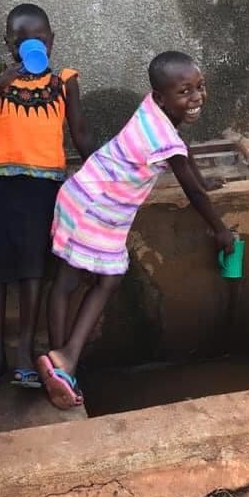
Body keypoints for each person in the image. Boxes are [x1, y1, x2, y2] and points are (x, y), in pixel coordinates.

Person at [41, 51, 235, 409]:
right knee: (108, 280)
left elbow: (183, 150)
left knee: (66, 281)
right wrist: (221, 230)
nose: (196, 98)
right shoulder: (164, 136)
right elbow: (190, 187)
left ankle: (57, 362)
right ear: (162, 97)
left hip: (80, 192)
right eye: (185, 92)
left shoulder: (154, 111)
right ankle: (65, 359)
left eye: (199, 87)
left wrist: (204, 179)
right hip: (100, 208)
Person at [0, 4, 95, 400]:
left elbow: (81, 135)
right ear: (9, 44)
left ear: (51, 41)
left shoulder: (63, 82)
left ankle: (24, 353)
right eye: (20, 41)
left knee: (33, 271)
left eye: (38, 39)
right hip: (0, 186)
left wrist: (109, 168)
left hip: (43, 190)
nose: (29, 46)